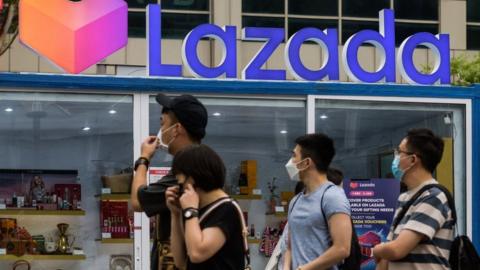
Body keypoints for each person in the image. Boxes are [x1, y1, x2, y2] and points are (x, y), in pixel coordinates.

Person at [130, 93, 208, 270]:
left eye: (162, 124)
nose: (160, 131)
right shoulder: (201, 165)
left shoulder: (186, 172)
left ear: (176, 129)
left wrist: (143, 158)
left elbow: (136, 201)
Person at [373, 128, 454, 270]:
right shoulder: (404, 198)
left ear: (412, 159)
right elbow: (388, 251)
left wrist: (377, 249)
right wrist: (384, 250)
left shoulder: (434, 196)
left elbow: (396, 249)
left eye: (399, 152)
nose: (396, 157)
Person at [165, 144, 245, 270]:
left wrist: (190, 211)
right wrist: (175, 214)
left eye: (180, 182)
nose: (180, 188)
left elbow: (197, 253)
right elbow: (181, 261)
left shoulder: (226, 210)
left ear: (191, 179)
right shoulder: (198, 210)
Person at [284, 133, 352, 270]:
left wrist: (305, 269)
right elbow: (290, 246)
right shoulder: (295, 201)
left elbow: (342, 248)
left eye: (294, 156)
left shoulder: (333, 197)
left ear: (306, 163)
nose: (291, 161)